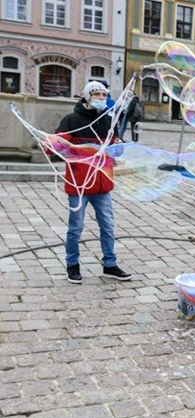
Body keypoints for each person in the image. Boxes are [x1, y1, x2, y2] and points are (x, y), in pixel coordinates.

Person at [54, 81, 132, 284]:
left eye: (104, 95)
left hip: (102, 185)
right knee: (75, 228)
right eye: (97, 94)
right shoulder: (71, 120)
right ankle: (73, 265)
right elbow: (57, 147)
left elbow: (116, 148)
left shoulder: (107, 121)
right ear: (88, 96)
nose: (102, 99)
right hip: (79, 184)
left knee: (108, 226)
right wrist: (56, 144)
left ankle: (110, 265)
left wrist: (118, 145)